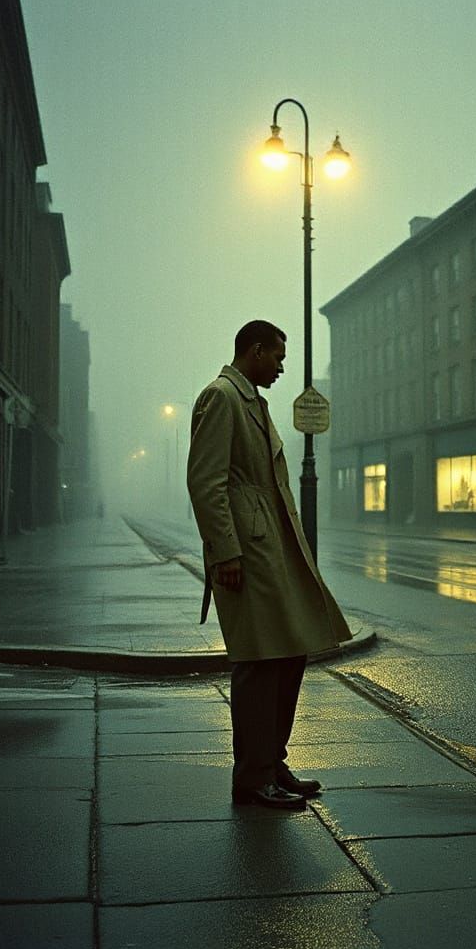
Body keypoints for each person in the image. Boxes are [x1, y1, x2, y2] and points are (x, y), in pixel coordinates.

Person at [187, 319, 353, 810]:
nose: (282, 366)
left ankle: (272, 762)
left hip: (272, 546)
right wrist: (225, 552)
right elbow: (206, 482)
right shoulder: (221, 396)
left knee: (290, 652)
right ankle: (252, 777)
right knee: (260, 662)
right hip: (249, 551)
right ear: (254, 351)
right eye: (277, 356)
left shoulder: (251, 401)